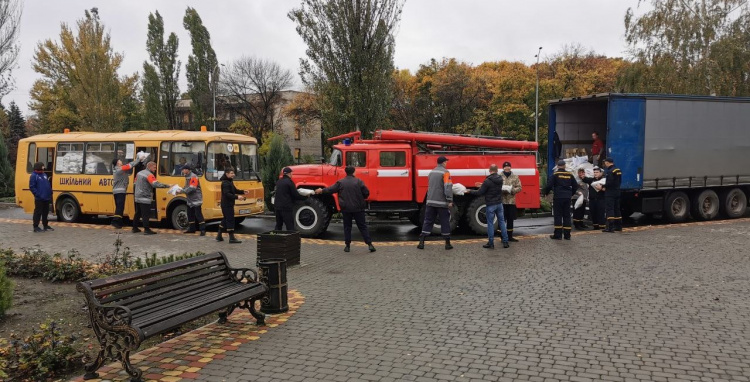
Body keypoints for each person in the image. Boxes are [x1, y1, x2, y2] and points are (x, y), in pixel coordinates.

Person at [315, 166, 376, 253]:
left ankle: (347, 246)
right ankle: (370, 244)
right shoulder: (359, 181)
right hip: (358, 208)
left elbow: (331, 189)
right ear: (354, 172)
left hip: (346, 208)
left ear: (346, 173)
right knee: (362, 226)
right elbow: (366, 193)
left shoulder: (341, 182)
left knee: (347, 227)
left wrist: (321, 190)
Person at [468, 164, 509, 249]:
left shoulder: (488, 181)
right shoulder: (500, 179)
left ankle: (491, 243)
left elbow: (480, 192)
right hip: (499, 204)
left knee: (490, 224)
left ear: (490, 171)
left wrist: (470, 191)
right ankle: (505, 242)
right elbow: (493, 187)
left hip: (491, 204)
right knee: (502, 222)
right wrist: (482, 185)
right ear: (497, 170)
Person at [417, 156, 454, 250]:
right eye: (446, 162)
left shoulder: (431, 172)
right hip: (441, 202)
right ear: (444, 163)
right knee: (445, 221)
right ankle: (447, 244)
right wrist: (449, 200)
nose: (446, 163)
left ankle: (421, 242)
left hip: (430, 201)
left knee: (428, 221)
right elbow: (447, 186)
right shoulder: (445, 172)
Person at [133, 161, 171, 235]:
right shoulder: (149, 175)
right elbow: (155, 184)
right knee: (145, 214)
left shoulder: (139, 173)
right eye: (154, 167)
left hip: (137, 196)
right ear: (149, 166)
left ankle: (134, 228)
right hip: (145, 197)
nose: (155, 169)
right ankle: (146, 230)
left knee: (138, 213)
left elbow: (135, 183)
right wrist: (167, 186)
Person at [544, 160, 577, 240]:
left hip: (558, 197)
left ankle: (558, 235)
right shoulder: (570, 174)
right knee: (567, 215)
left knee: (558, 215)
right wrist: (571, 194)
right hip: (567, 197)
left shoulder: (555, 175)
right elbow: (575, 186)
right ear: (565, 166)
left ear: (558, 166)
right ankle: (567, 235)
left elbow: (549, 185)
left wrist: (546, 193)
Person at [217, 167, 249, 243]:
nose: (233, 175)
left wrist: (243, 192)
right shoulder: (225, 183)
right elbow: (227, 194)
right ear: (226, 174)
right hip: (226, 204)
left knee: (225, 219)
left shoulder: (229, 181)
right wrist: (237, 197)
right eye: (231, 173)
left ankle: (219, 236)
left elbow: (234, 190)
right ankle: (231, 238)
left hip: (228, 204)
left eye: (233, 173)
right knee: (230, 220)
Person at [273, 167, 307, 231]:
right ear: (289, 174)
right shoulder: (289, 182)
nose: (292, 175)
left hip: (277, 207)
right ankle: (291, 240)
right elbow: (295, 195)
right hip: (286, 208)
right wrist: (305, 198)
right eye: (291, 173)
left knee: (278, 225)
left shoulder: (279, 181)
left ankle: (276, 239)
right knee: (290, 226)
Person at [178, 164, 206, 236]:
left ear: (187, 170)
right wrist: (180, 190)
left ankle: (203, 230)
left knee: (198, 214)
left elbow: (192, 187)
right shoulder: (187, 177)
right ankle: (192, 229)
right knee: (190, 214)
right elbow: (186, 187)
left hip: (196, 199)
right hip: (190, 200)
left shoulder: (193, 177)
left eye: (183, 169)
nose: (182, 171)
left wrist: (182, 191)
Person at [111, 157, 138, 229]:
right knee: (120, 207)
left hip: (117, 191)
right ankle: (115, 221)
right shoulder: (120, 169)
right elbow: (131, 165)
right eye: (120, 160)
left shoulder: (118, 169)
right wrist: (139, 159)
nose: (121, 161)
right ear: (117, 163)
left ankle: (119, 222)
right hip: (120, 191)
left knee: (120, 207)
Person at [499, 161, 522, 242]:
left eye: (508, 166)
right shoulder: (499, 176)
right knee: (502, 220)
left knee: (510, 219)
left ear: (510, 167)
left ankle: (510, 236)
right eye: (505, 166)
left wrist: (512, 190)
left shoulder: (515, 177)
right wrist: (501, 189)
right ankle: (502, 237)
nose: (507, 168)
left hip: (511, 201)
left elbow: (519, 187)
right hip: (502, 201)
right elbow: (495, 187)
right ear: (503, 168)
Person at [29, 162, 53, 233]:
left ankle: (45, 225)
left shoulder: (44, 174)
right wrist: (37, 194)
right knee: (38, 212)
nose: (43, 169)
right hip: (39, 198)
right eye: (42, 168)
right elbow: (32, 187)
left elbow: (47, 184)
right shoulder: (34, 176)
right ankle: (36, 226)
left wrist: (50, 192)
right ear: (38, 168)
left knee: (45, 212)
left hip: (46, 197)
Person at [601, 157, 622, 233]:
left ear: (607, 162)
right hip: (617, 192)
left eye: (605, 163)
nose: (605, 164)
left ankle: (610, 227)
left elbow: (610, 183)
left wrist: (603, 186)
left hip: (610, 193)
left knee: (610, 209)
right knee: (617, 209)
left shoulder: (610, 171)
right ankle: (619, 226)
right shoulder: (618, 170)